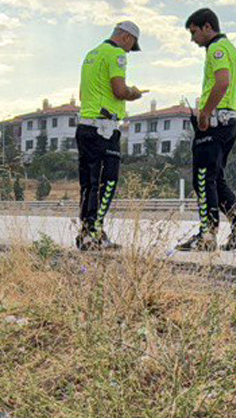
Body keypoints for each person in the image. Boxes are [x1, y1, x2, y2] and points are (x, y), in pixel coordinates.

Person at [177, 8, 236, 251]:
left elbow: (222, 82)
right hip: (229, 120)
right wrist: (227, 113)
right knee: (216, 180)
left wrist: (206, 113)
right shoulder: (234, 52)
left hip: (214, 124)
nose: (192, 39)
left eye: (194, 32)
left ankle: (207, 235)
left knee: (202, 178)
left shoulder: (216, 49)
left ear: (207, 27)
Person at [75, 20, 145, 250]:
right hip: (103, 129)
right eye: (131, 46)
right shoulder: (116, 54)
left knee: (88, 183)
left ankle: (88, 231)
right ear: (127, 37)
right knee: (107, 182)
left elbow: (83, 93)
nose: (128, 52)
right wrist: (133, 93)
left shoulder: (91, 55)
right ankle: (93, 233)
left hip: (85, 126)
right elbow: (119, 89)